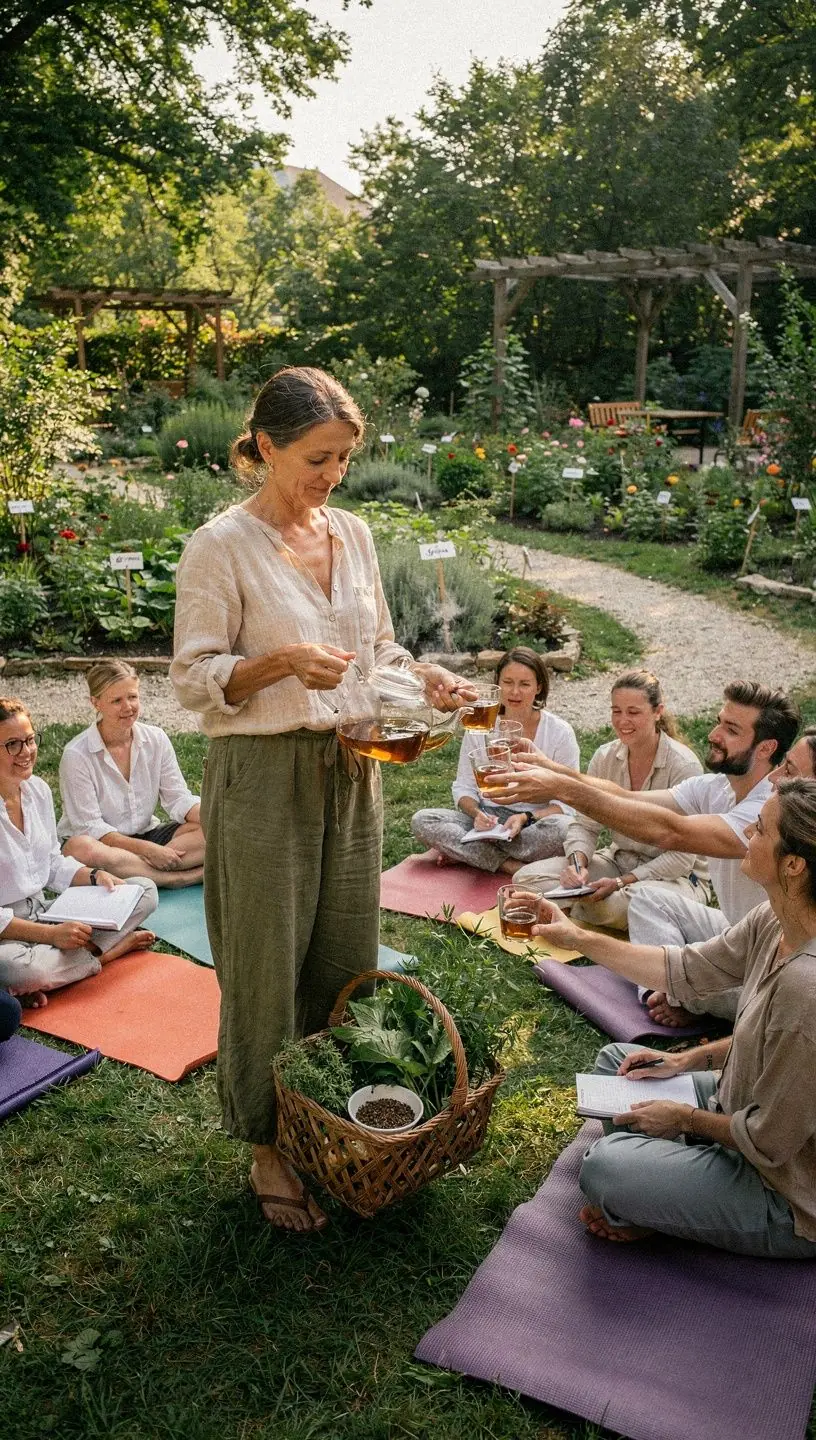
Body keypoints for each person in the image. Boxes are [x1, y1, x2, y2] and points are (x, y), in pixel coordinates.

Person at [170, 365, 469, 1234]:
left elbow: (377, 649)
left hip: (353, 767)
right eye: (317, 458)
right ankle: (266, 1140)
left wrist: (428, 676)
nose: (331, 476)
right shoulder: (219, 546)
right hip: (262, 777)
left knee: (343, 956)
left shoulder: (355, 535)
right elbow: (192, 679)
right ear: (265, 446)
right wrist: (278, 663)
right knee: (264, 966)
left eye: (342, 459)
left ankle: (326, 1115)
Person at [531, 778, 816, 1259]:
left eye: (760, 830)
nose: (747, 835)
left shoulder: (805, 986)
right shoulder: (774, 920)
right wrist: (686, 1062)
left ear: (793, 864)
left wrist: (684, 1117)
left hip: (782, 1188)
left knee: (604, 1168)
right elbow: (686, 970)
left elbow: (770, 1141)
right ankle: (672, 1189)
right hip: (735, 1106)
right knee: (618, 1064)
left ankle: (664, 1193)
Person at [496, 682, 800, 1019]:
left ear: (765, 747)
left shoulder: (768, 811)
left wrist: (562, 789)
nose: (713, 734)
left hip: (774, 956)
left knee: (763, 1004)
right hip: (735, 933)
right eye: (718, 721)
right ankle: (667, 994)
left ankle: (679, 996)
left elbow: (670, 832)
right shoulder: (718, 787)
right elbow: (625, 798)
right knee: (646, 900)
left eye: (730, 729)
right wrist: (551, 768)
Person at [507, 671, 709, 930]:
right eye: (617, 711)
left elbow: (682, 859)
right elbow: (585, 825)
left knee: (626, 904)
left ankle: (567, 907)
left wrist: (621, 882)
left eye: (633, 712)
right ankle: (575, 904)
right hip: (617, 860)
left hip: (676, 877)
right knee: (526, 878)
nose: (623, 721)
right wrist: (577, 864)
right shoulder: (605, 757)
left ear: (658, 711)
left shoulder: (684, 766)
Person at [0, 697, 158, 1008]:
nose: (27, 752)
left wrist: (95, 875)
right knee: (16, 968)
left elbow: (51, 863)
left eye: (30, 740)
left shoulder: (38, 792)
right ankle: (107, 954)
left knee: (143, 891)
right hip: (8, 933)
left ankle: (54, 974)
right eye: (13, 745)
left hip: (45, 911)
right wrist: (52, 935)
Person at [410, 646, 578, 873]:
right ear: (497, 684)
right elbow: (464, 787)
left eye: (525, 684)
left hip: (533, 824)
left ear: (539, 687)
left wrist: (525, 818)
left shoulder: (560, 732)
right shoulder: (480, 725)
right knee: (424, 821)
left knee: (566, 830)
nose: (515, 692)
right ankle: (509, 865)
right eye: (508, 682)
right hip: (487, 820)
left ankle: (472, 854)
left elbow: (567, 803)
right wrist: (478, 814)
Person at [58, 661, 205, 889]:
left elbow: (178, 799)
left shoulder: (156, 739)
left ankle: (139, 871)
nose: (128, 707)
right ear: (95, 703)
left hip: (149, 836)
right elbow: (91, 828)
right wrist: (148, 851)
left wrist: (214, 818)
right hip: (104, 844)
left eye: (133, 697)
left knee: (214, 827)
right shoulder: (77, 754)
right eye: (116, 700)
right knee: (80, 849)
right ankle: (177, 877)